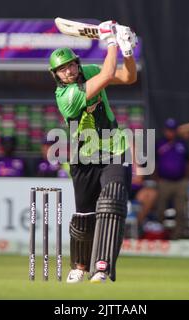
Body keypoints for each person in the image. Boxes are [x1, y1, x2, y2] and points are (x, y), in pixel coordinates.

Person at [49, 21, 137, 283]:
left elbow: (127, 77)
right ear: (56, 75)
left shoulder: (87, 71)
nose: (69, 71)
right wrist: (112, 42)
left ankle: (102, 266)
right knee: (85, 216)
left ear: (77, 63)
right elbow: (109, 73)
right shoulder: (66, 96)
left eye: (71, 65)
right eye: (62, 69)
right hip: (83, 157)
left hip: (113, 149)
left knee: (112, 203)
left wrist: (128, 52)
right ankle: (79, 265)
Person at [155, 118, 189, 239]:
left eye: (173, 130)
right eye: (168, 130)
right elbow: (154, 162)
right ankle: (161, 233)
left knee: (180, 210)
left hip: (180, 182)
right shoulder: (159, 143)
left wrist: (187, 177)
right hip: (164, 181)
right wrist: (157, 179)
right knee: (160, 208)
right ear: (165, 130)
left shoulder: (182, 143)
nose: (170, 133)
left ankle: (177, 235)